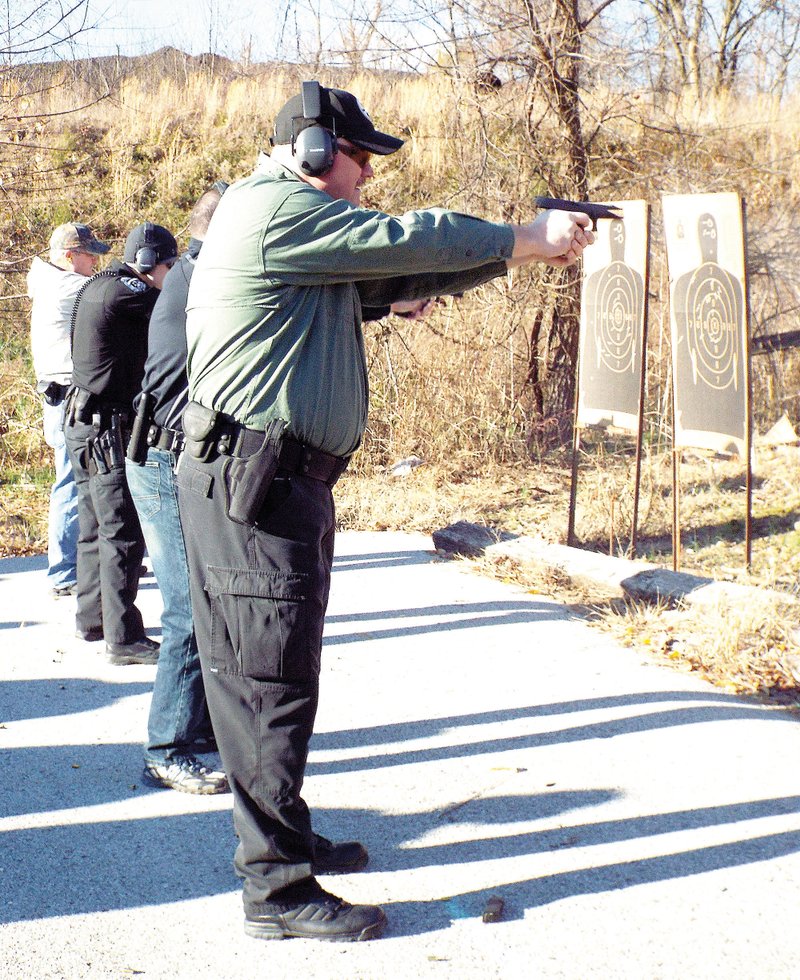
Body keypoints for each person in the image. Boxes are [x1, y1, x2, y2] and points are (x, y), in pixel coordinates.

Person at [176, 82, 594, 942]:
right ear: (317, 152)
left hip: (271, 478)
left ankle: (282, 846)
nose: (367, 178)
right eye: (360, 160)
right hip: (259, 479)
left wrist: (513, 258)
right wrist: (519, 236)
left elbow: (392, 268)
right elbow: (402, 239)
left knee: (275, 676)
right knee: (267, 684)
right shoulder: (275, 210)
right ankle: (277, 892)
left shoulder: (281, 218)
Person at [125, 187, 228, 793]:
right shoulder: (201, 280)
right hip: (164, 460)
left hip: (171, 456)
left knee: (207, 602)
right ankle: (165, 748)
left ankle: (198, 727)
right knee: (188, 609)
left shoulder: (193, 274)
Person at [64, 222, 178, 666]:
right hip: (106, 426)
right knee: (122, 532)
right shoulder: (129, 291)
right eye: (170, 265)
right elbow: (175, 305)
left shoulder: (104, 285)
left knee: (94, 527)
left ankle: (93, 619)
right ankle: (123, 637)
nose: (172, 274)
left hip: (84, 420)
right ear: (150, 263)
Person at [27, 223, 110, 597]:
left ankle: (91, 559)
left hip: (64, 397)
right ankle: (63, 571)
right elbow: (110, 290)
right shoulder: (66, 287)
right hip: (66, 398)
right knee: (70, 483)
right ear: (66, 256)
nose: (95, 259)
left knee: (86, 480)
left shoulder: (55, 283)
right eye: (88, 253)